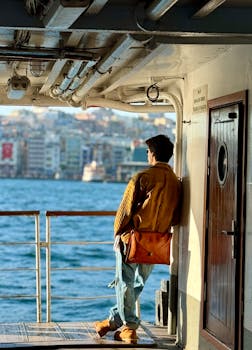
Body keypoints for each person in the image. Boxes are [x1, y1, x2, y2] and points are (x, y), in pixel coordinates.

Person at [94, 134, 182, 344]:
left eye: (147, 152)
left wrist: (118, 234)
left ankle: (130, 328)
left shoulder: (143, 177)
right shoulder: (176, 182)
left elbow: (124, 211)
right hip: (157, 241)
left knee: (124, 282)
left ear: (151, 154)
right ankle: (113, 321)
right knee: (138, 283)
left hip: (133, 239)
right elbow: (176, 216)